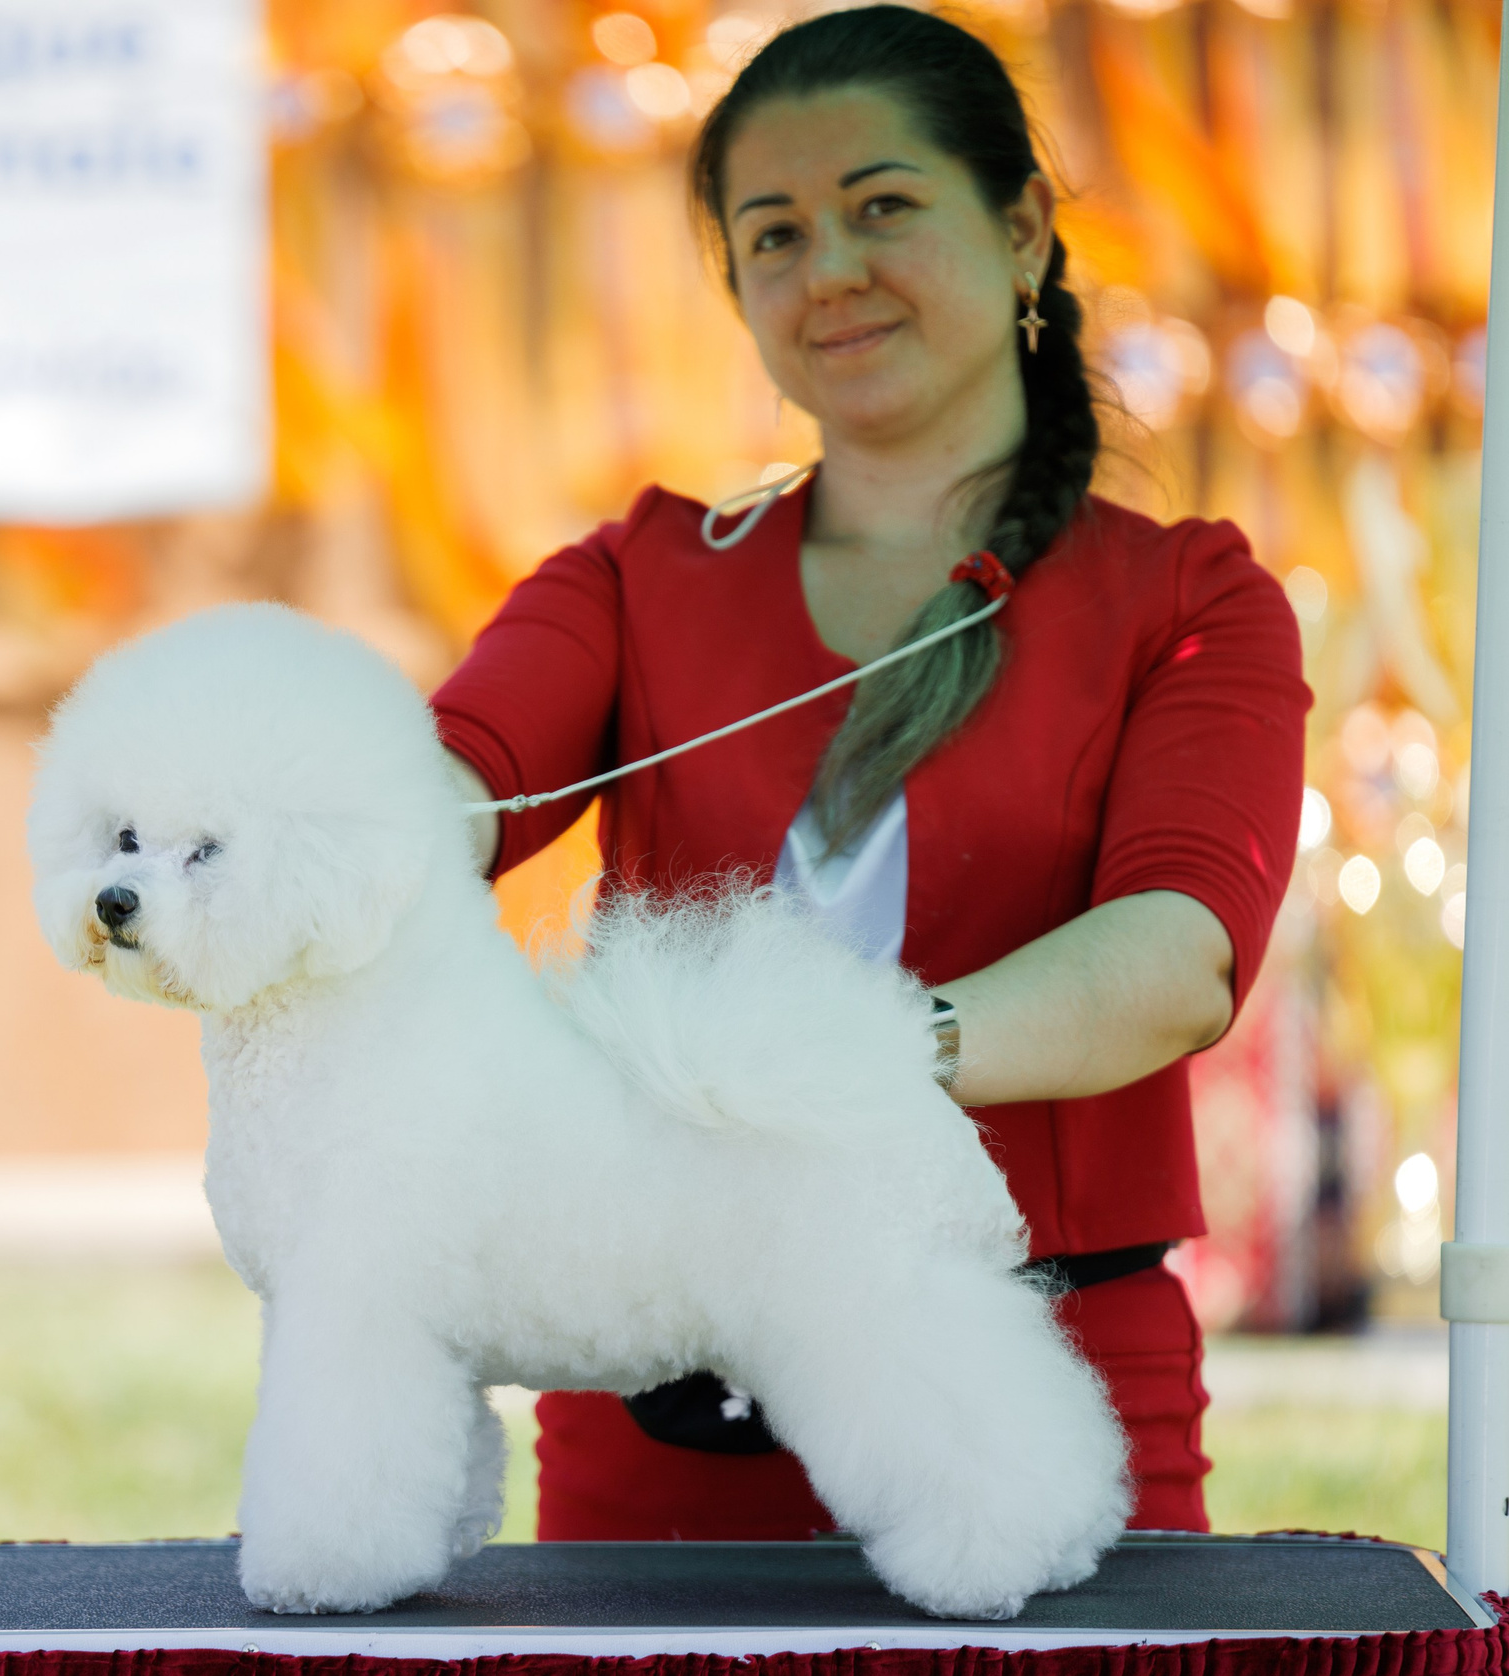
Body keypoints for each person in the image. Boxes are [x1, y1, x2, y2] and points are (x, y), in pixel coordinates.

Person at [430, 5, 1307, 1539]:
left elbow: (1175, 961)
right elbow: (437, 795)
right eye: (772, 235)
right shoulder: (632, 578)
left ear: (1024, 227)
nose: (828, 269)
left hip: (1034, 1413)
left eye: (882, 207)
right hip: (662, 1432)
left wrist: (844, 1052)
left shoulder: (1190, 601)